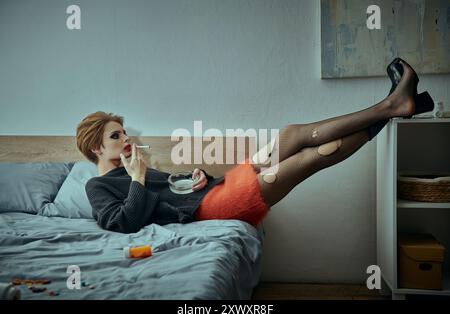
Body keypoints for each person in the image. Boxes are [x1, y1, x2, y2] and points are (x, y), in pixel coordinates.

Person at [77, 58, 434, 233]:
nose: (126, 140)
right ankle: (395, 106)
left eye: (124, 133)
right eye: (115, 136)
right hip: (215, 210)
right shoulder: (98, 185)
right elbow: (121, 223)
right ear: (95, 147)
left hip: (217, 190)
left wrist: (196, 175)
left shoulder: (134, 168)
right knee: (313, 157)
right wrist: (137, 178)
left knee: (292, 133)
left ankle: (398, 105)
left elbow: (171, 193)